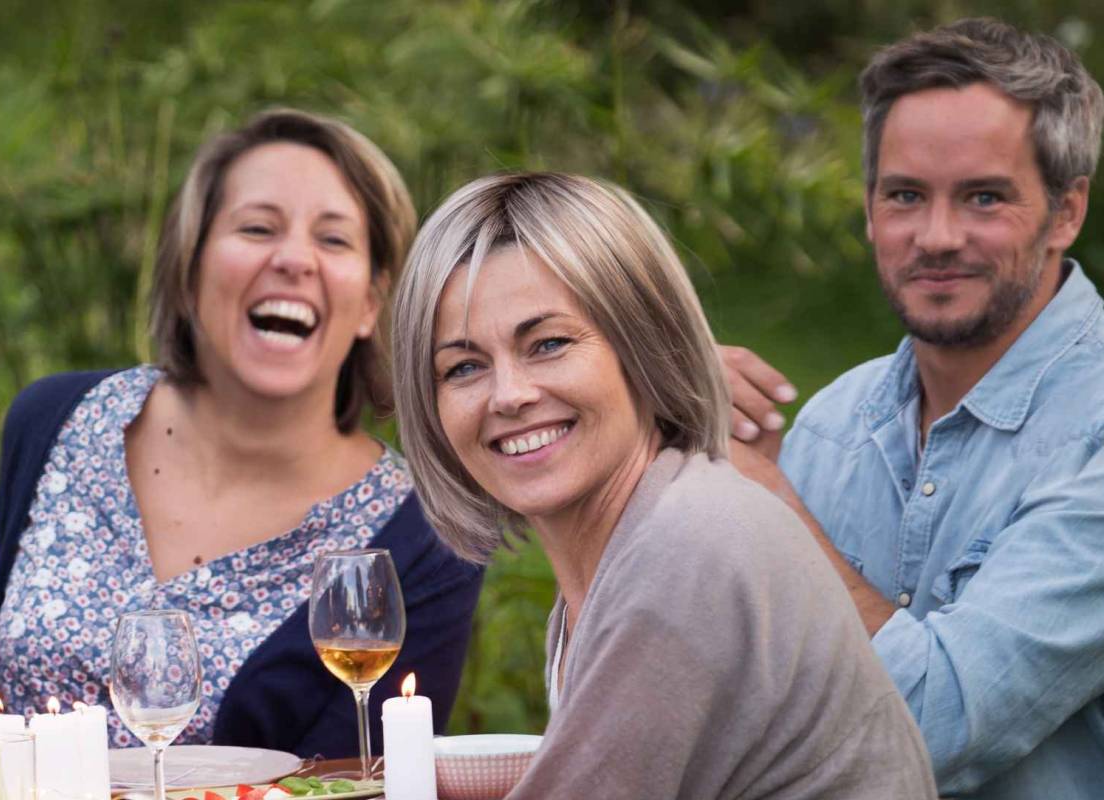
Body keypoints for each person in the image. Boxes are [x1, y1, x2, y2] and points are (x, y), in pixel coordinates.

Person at [0, 109, 485, 785]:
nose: (293, 259)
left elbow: (365, 780)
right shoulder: (55, 420)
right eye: (256, 228)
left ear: (370, 302)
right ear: (189, 271)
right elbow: (30, 619)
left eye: (333, 240)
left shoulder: (425, 537)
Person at [391, 172, 936, 798]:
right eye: (463, 367)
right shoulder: (636, 541)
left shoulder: (688, 546)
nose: (510, 394)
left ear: (643, 346)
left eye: (548, 344)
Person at [718, 18, 1104, 799]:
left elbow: (934, 724)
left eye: (984, 197)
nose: (935, 236)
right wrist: (663, 443)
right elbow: (725, 711)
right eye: (905, 196)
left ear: (1067, 212)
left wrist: (764, 510)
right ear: (869, 210)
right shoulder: (831, 424)